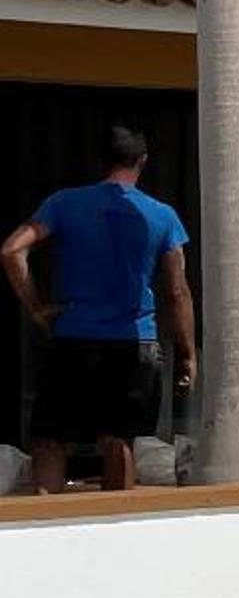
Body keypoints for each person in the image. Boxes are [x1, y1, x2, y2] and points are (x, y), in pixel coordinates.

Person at [3, 126, 197, 493]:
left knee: (51, 439)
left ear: (100, 161)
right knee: (118, 441)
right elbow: (177, 292)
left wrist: (38, 308)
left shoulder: (64, 203)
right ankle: (118, 520)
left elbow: (12, 250)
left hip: (73, 337)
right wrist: (187, 353)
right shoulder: (163, 216)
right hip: (134, 344)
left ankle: (46, 520)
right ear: (142, 161)